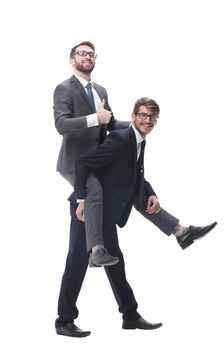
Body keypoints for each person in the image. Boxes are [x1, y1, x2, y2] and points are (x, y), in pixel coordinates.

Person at [54, 43, 216, 337]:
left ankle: (130, 313)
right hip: (79, 168)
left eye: (91, 53)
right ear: (71, 59)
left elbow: (111, 125)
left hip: (100, 176)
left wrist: (138, 124)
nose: (87, 57)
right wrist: (80, 196)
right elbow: (62, 125)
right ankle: (64, 320)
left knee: (115, 251)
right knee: (78, 258)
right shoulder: (64, 89)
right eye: (82, 53)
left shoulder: (102, 92)